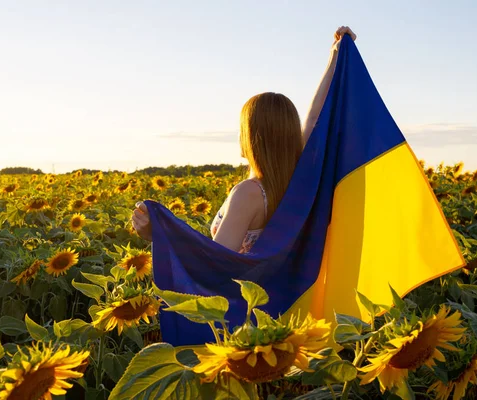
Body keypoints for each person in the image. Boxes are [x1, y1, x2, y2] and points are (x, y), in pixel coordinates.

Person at [132, 26, 356, 253]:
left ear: (252, 136)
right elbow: (314, 117)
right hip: (278, 288)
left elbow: (215, 263)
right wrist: (335, 56)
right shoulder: (297, 179)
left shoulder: (248, 194)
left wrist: (157, 235)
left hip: (243, 289)